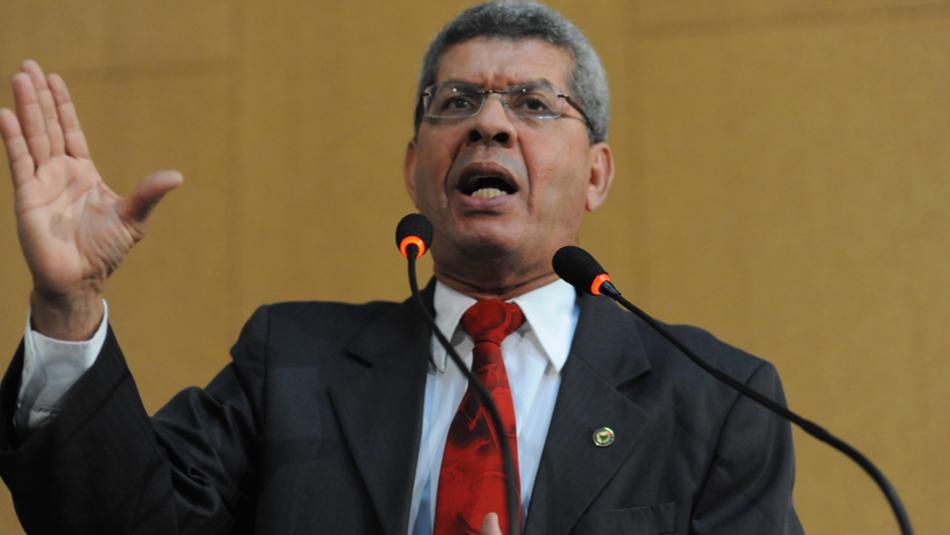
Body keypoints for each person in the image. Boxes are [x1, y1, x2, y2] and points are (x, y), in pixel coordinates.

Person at [0, 2, 803, 534]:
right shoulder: (291, 364)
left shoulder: (714, 401)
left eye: (532, 104)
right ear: (416, 168)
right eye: (456, 102)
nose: (489, 124)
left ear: (596, 174)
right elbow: (119, 522)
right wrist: (69, 304)